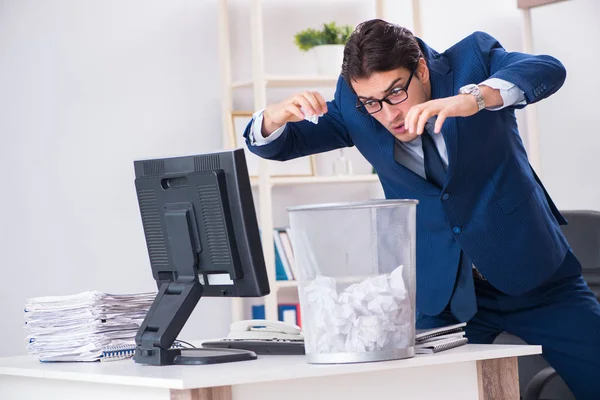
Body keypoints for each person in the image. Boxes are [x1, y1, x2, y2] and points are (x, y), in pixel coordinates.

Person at [243, 19, 600, 398]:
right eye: (372, 103)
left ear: (423, 70)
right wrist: (273, 117)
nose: (389, 114)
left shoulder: (472, 61)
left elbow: (546, 69)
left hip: (535, 277)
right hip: (444, 299)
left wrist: (473, 99)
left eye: (396, 93)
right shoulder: (357, 108)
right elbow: (278, 145)